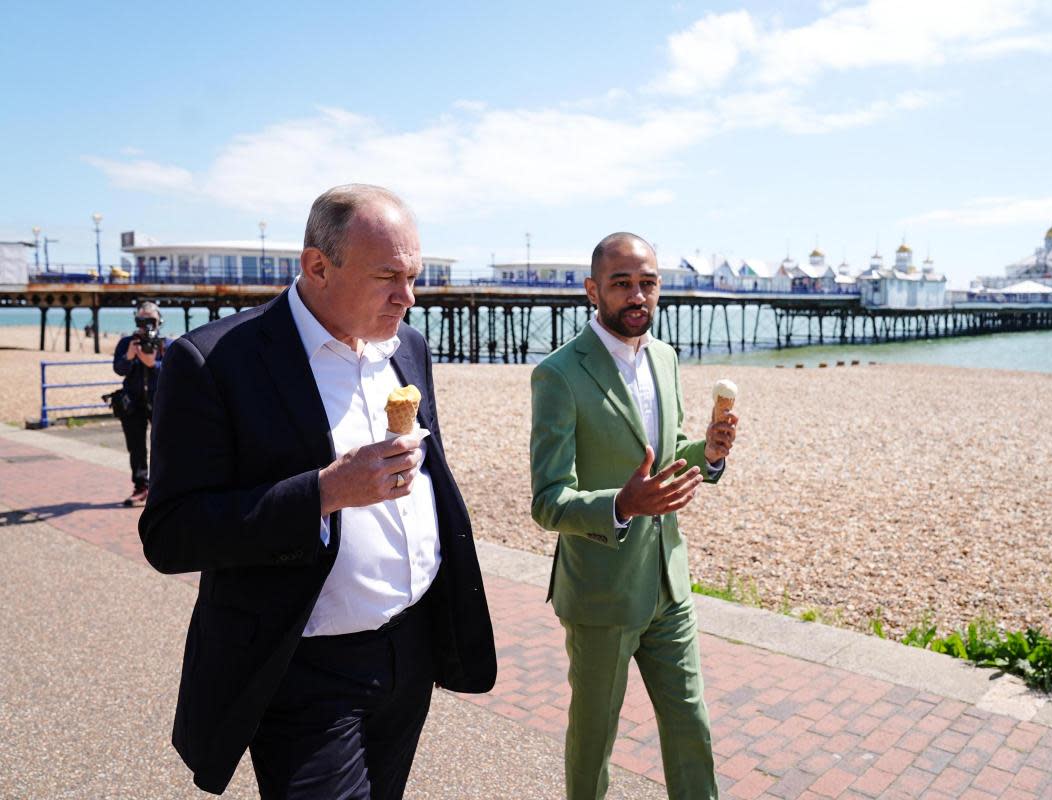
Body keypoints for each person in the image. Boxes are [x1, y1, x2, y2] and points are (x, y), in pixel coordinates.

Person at [140, 184, 497, 798]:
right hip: (304, 668)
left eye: (414, 276)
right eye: (388, 276)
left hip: (408, 650)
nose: (407, 298)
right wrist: (324, 492)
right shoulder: (215, 362)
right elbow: (170, 534)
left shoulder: (406, 345)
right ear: (317, 266)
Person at [530, 232, 739, 799]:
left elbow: (668, 452)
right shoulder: (558, 374)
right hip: (601, 592)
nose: (636, 295)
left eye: (647, 283)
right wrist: (622, 505)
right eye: (621, 283)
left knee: (691, 724)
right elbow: (547, 500)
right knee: (595, 737)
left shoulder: (666, 358)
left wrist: (709, 453)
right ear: (593, 290)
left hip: (669, 584)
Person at [112, 301, 171, 507]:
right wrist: (128, 357)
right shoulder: (127, 342)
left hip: (160, 401)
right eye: (142, 320)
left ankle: (166, 486)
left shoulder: (166, 344)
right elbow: (118, 369)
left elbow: (173, 372)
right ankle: (141, 486)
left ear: (159, 320)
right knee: (136, 447)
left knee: (165, 444)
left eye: (151, 320)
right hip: (133, 403)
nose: (146, 324)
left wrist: (152, 364)